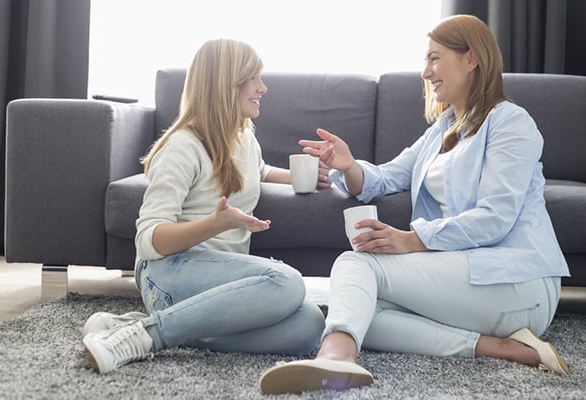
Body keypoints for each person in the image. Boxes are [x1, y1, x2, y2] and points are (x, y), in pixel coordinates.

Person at [259, 14, 571, 395]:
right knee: (358, 306)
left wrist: (411, 240)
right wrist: (348, 164)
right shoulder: (443, 130)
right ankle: (504, 349)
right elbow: (386, 178)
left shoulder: (510, 123)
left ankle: (336, 358)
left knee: (355, 264)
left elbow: (495, 219)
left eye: (435, 58)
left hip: (515, 279)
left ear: (471, 59)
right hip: (466, 277)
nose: (426, 72)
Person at [81, 38, 327, 374]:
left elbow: (260, 171)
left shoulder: (243, 137)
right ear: (227, 83)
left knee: (310, 324)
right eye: (253, 78)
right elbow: (149, 240)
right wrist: (213, 225)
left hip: (217, 284)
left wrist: (310, 176)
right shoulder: (183, 146)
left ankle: (133, 325)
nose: (263, 88)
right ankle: (148, 336)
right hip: (167, 273)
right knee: (287, 282)